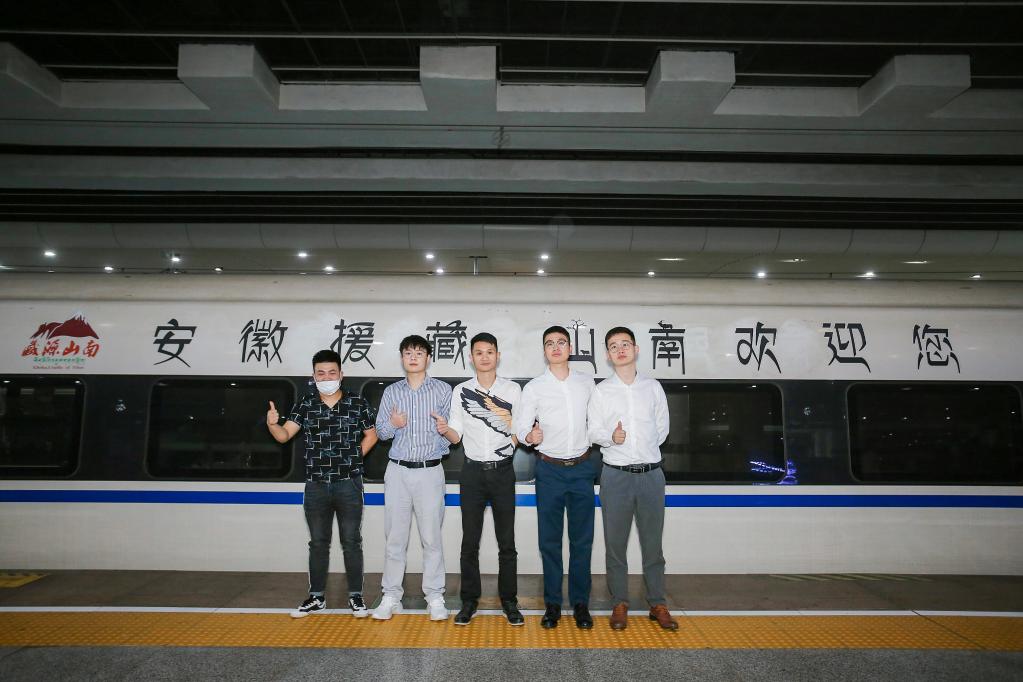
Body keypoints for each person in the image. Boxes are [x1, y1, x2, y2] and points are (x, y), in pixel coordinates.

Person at [266, 349, 377, 619]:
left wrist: (353, 458)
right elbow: (284, 436)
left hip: (349, 484)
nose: (326, 377)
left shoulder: (357, 402)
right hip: (316, 484)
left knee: (351, 541)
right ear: (314, 376)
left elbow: (371, 434)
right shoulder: (305, 404)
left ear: (341, 374)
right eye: (321, 373)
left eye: (331, 372)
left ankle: (356, 597)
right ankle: (316, 597)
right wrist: (272, 425)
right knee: (318, 543)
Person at [588, 327, 678, 631]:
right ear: (608, 355)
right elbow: (593, 431)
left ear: (636, 349)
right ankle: (620, 603)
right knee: (615, 545)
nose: (620, 350)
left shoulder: (653, 388)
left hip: (651, 476)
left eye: (625, 344)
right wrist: (611, 438)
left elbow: (662, 429)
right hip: (616, 476)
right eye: (613, 346)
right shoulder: (602, 391)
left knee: (653, 545)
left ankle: (658, 603)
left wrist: (642, 450)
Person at [436, 332, 524, 626]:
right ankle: (468, 601)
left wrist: (509, 447)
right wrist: (445, 429)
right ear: (471, 358)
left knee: (507, 542)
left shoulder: (512, 390)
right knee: (469, 542)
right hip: (472, 473)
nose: (484, 357)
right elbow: (456, 435)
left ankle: (509, 601)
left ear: (498, 356)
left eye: (489, 352)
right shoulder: (461, 390)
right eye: (479, 352)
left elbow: (519, 428)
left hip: (503, 472)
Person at [513, 325, 596, 629]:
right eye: (550, 343)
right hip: (548, 470)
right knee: (549, 541)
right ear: (544, 351)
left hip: (582, 468)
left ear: (570, 348)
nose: (556, 347)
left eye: (561, 342)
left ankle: (581, 604)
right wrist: (529, 436)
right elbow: (521, 427)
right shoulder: (535, 387)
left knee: (582, 540)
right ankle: (552, 605)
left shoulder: (587, 383)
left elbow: (597, 421)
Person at [372, 334, 452, 621]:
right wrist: (393, 424)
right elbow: (381, 433)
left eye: (419, 353)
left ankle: (435, 597)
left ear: (428, 358)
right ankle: (391, 596)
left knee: (432, 538)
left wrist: (444, 430)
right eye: (408, 353)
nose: (414, 357)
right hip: (397, 471)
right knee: (395, 538)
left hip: (430, 471)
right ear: (402, 358)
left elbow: (453, 433)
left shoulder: (443, 390)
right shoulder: (392, 392)